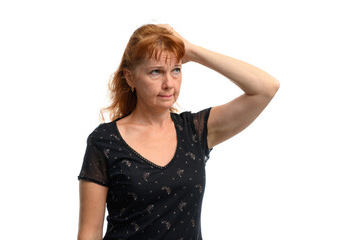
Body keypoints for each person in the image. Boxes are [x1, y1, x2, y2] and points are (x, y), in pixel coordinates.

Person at [77, 24, 279, 240]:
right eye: (156, 72)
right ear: (130, 77)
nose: (169, 84)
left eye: (176, 70)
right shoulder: (105, 142)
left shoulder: (194, 131)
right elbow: (89, 233)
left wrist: (191, 51)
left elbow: (266, 88)